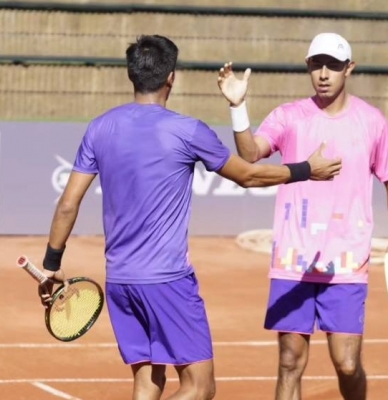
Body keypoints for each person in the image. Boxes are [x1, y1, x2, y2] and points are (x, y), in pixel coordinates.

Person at [35, 35, 342, 400]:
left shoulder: (100, 128)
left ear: (132, 75)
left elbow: (69, 203)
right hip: (167, 282)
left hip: (121, 282)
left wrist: (52, 262)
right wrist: (308, 169)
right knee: (199, 387)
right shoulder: (187, 130)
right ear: (171, 78)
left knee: (148, 381)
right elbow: (248, 175)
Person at [217, 32, 388, 400]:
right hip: (293, 259)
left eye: (333, 66)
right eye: (317, 64)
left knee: (347, 363)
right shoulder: (289, 117)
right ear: (308, 67)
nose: (324, 73)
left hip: (347, 262)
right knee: (290, 361)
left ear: (348, 69)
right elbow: (251, 153)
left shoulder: (372, 121)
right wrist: (238, 107)